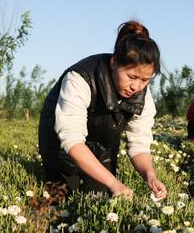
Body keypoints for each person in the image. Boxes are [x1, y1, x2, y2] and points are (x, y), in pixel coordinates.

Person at [38, 20, 167, 200]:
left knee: (100, 201)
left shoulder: (143, 96)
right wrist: (114, 183)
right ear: (114, 62)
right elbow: (72, 140)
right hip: (61, 148)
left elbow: (139, 143)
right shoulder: (80, 78)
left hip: (102, 148)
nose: (136, 86)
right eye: (131, 77)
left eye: (145, 80)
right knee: (59, 204)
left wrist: (150, 175)